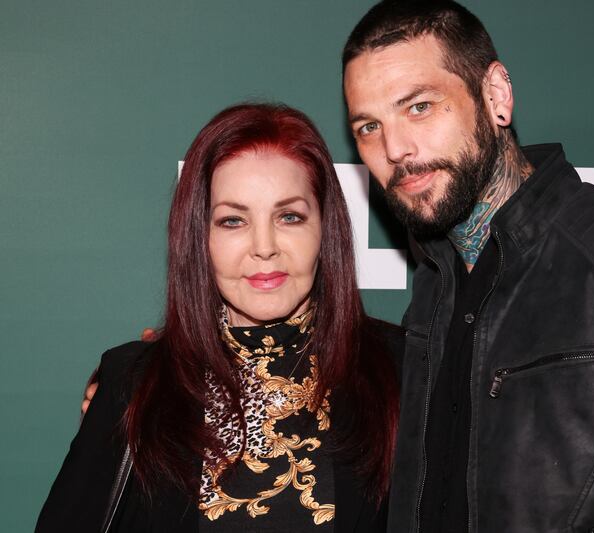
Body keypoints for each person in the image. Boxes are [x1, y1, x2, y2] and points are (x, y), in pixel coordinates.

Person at [341, 1, 594, 532]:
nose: (395, 148)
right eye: (369, 126)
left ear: (495, 95)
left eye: (419, 107)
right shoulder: (434, 288)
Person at [37, 103, 400, 532]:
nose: (264, 246)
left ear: (325, 229)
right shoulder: (132, 384)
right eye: (233, 221)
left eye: (289, 216)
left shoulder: (405, 370)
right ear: (199, 237)